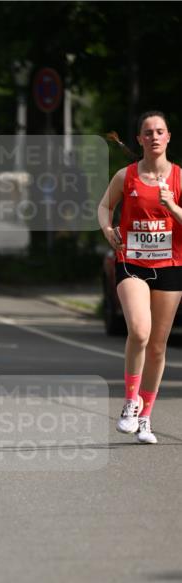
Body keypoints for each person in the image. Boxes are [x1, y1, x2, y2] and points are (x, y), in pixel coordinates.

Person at [98, 110, 182, 444]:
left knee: (159, 347)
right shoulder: (126, 176)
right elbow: (104, 206)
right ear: (139, 140)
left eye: (160, 131)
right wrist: (108, 229)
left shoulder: (178, 178)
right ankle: (130, 402)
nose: (154, 137)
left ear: (168, 137)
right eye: (148, 133)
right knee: (140, 330)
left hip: (170, 266)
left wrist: (173, 206)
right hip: (132, 262)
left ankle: (145, 417)